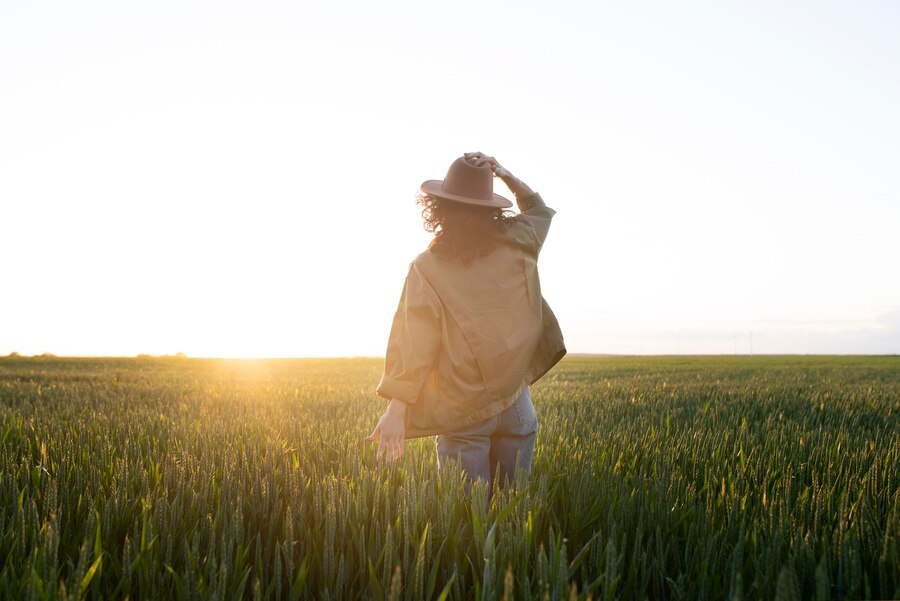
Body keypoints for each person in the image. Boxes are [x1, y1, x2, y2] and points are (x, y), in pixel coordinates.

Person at [366, 151, 565, 489]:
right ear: (491, 209)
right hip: (517, 404)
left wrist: (396, 410)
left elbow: (414, 343)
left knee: (468, 524)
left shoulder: (426, 267)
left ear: (439, 209)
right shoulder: (518, 238)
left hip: (463, 411)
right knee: (513, 519)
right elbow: (538, 209)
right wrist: (504, 173)